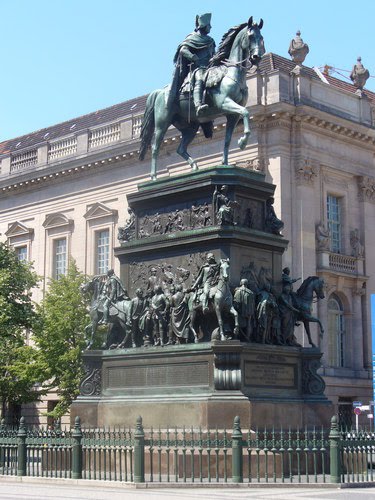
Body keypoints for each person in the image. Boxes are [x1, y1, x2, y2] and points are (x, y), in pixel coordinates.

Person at [171, 13, 216, 115]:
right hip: (197, 68)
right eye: (209, 25)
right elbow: (183, 50)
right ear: (203, 26)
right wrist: (193, 57)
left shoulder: (210, 41)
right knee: (200, 78)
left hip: (210, 67)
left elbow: (213, 54)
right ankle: (198, 105)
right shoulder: (192, 38)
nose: (211, 27)